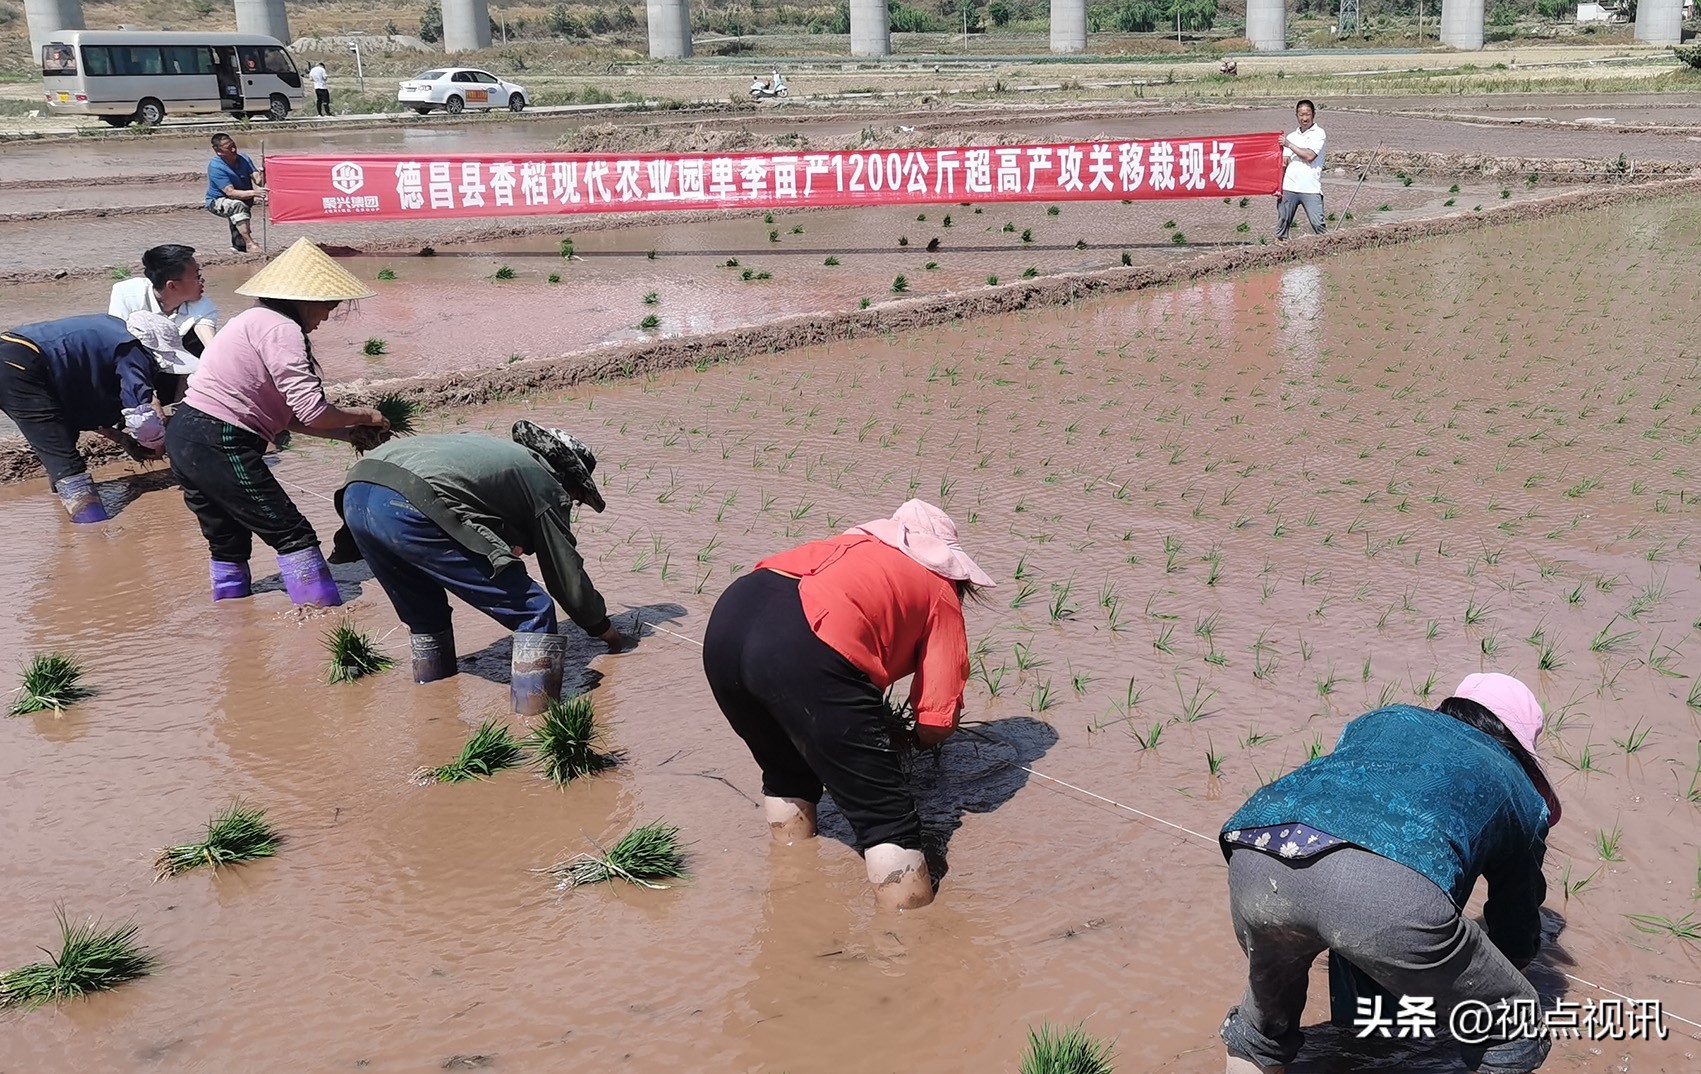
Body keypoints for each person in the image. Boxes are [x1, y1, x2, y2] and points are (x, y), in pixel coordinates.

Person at [1217, 673, 1560, 1074]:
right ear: (1519, 744)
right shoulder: (1518, 786)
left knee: (1261, 1032)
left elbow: (1342, 805)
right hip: (1381, 892)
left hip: (1256, 855)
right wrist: (1499, 982)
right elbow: (1515, 925)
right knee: (1516, 1029)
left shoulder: (1384, 719)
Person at [702, 499, 992, 911]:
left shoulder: (848, 548)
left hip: (728, 623)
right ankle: (912, 938)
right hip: (801, 647)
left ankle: (791, 877)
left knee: (786, 771)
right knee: (886, 817)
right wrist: (907, 746)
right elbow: (937, 717)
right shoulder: (939, 589)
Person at [329, 422, 634, 713]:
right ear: (568, 480)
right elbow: (566, 579)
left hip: (356, 495)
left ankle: (434, 703)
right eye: (577, 498)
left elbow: (464, 504)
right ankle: (536, 716)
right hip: (409, 503)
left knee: (427, 617)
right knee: (533, 609)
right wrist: (609, 635)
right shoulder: (547, 484)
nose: (572, 503)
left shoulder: (500, 456)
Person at [166, 238, 387, 606]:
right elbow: (313, 409)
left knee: (227, 540)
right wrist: (369, 415)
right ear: (307, 300)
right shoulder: (281, 329)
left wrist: (348, 434)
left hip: (187, 434)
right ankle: (322, 617)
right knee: (291, 532)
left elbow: (286, 416)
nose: (327, 316)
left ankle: (233, 614)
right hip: (221, 439)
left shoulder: (252, 319)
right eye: (329, 307)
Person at [0, 312, 190, 523]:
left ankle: (63, 504)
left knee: (62, 435)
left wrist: (122, 439)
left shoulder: (111, 334)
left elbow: (78, 409)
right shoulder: (132, 349)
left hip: (18, 357)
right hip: (17, 365)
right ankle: (92, 528)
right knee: (62, 457)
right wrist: (158, 443)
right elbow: (140, 414)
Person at [108, 244, 218, 404]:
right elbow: (118, 348)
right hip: (138, 367)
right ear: (172, 285)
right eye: (196, 276)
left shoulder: (202, 304)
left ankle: (185, 402)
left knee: (197, 346)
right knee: (126, 348)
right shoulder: (126, 294)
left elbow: (212, 348)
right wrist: (151, 400)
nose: (202, 281)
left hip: (176, 371)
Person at [1275, 99, 1327, 242]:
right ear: (1296, 115)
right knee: (1282, 224)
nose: (1304, 118)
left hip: (1311, 188)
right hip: (1289, 187)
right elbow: (1283, 164)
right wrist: (1277, 187)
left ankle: (1329, 252)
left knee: (1318, 225)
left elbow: (1309, 156)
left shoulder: (1319, 133)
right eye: (1301, 114)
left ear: (1313, 115)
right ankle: (1278, 254)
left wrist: (1289, 144)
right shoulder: (1292, 136)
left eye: (1307, 114)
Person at [206, 133, 265, 254]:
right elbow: (230, 193)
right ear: (219, 152)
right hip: (217, 201)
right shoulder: (216, 166)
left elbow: (259, 181)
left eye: (234, 145)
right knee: (238, 206)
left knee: (239, 213)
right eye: (229, 148)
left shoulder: (244, 158)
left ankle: (239, 247)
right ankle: (250, 244)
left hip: (242, 198)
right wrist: (255, 193)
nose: (233, 149)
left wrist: (264, 170)